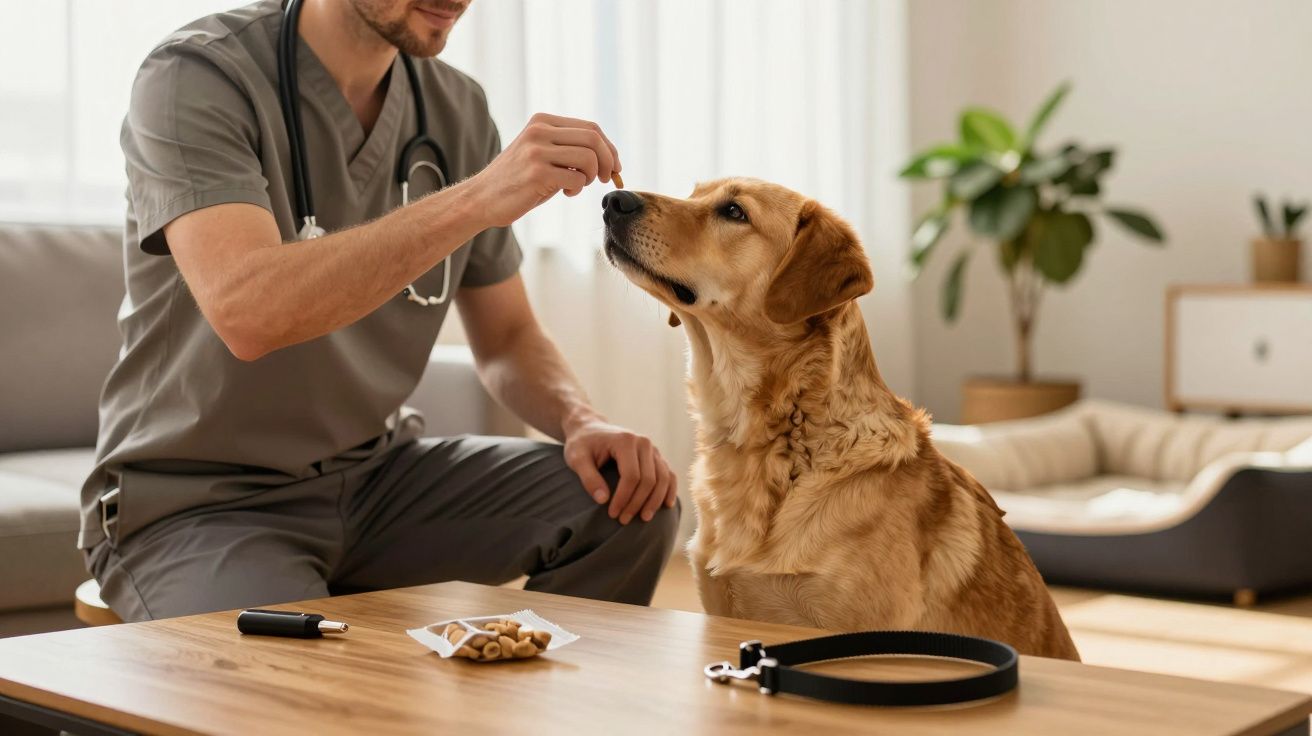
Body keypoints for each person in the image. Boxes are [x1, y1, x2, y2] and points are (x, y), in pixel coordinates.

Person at [79, 0, 679, 622]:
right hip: (198, 503)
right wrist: (476, 198)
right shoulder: (197, 74)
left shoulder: (457, 110)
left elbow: (506, 335)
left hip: (375, 478)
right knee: (306, 698)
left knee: (629, 503)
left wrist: (580, 419)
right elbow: (247, 313)